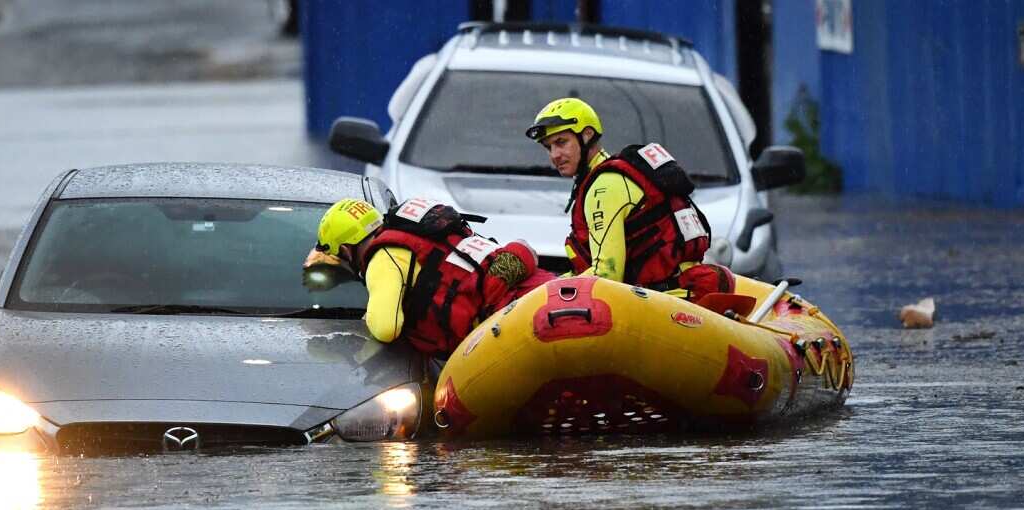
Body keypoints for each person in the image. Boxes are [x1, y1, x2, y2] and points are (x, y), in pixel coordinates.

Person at [525, 97, 736, 301]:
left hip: (666, 302)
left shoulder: (604, 186)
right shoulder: (618, 172)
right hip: (678, 292)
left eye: (561, 142)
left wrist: (543, 295)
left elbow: (607, 275)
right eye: (548, 147)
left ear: (587, 135)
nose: (554, 155)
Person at [307, 197, 555, 357]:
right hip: (541, 290)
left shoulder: (383, 258)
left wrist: (351, 346)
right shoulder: (419, 234)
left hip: (509, 320)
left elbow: (386, 328)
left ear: (344, 249)